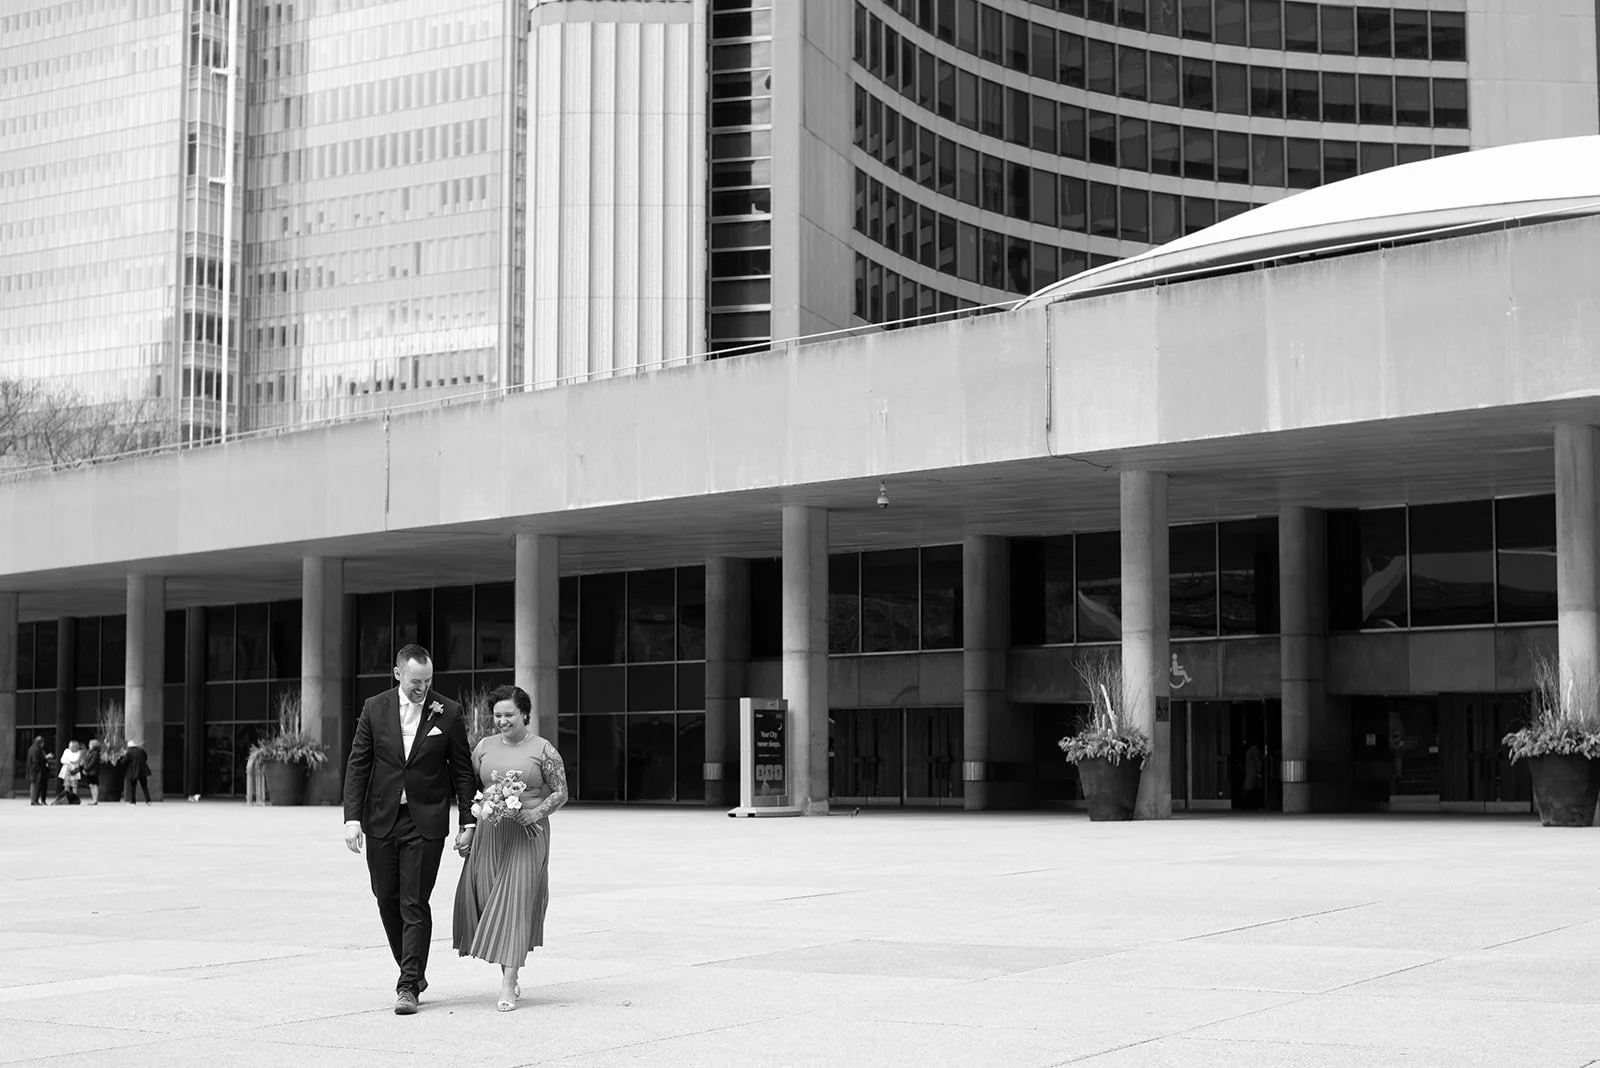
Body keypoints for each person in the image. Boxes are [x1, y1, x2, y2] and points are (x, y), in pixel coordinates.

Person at [343, 644, 476, 1015]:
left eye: (428, 681)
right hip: (382, 817)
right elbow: (359, 764)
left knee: (413, 900)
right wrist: (352, 819)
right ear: (398, 674)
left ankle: (408, 986)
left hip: (426, 819)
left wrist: (468, 820)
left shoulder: (447, 711)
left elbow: (462, 769)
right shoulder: (374, 707)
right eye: (416, 681)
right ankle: (413, 971)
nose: (422, 689)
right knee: (386, 896)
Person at [452, 684, 568, 1012]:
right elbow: (470, 789)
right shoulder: (484, 747)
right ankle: (509, 972)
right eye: (497, 715)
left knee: (515, 900)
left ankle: (507, 982)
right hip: (491, 832)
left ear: (525, 714)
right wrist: (468, 830)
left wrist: (535, 812)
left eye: (509, 715)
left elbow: (560, 792)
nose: (502, 721)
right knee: (492, 900)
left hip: (528, 834)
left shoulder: (543, 750)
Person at [54, 740, 83, 805]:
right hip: (66, 769)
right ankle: (66, 798)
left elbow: (77, 759)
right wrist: (70, 762)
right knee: (66, 785)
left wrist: (69, 761)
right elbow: (62, 760)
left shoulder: (79, 752)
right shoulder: (66, 751)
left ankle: (74, 799)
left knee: (74, 785)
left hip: (74, 769)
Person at [25, 736, 48, 805]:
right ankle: (34, 800)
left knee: (33, 785)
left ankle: (34, 800)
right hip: (35, 770)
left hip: (31, 769)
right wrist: (38, 769)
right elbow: (35, 760)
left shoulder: (31, 748)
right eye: (42, 743)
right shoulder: (37, 749)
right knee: (35, 785)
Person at [80, 739, 102, 805]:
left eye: (90, 744)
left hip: (93, 771)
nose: (89, 745)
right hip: (89, 771)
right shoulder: (89, 752)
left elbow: (92, 762)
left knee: (94, 785)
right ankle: (93, 799)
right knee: (91, 785)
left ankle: (95, 800)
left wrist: (86, 769)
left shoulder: (95, 753)